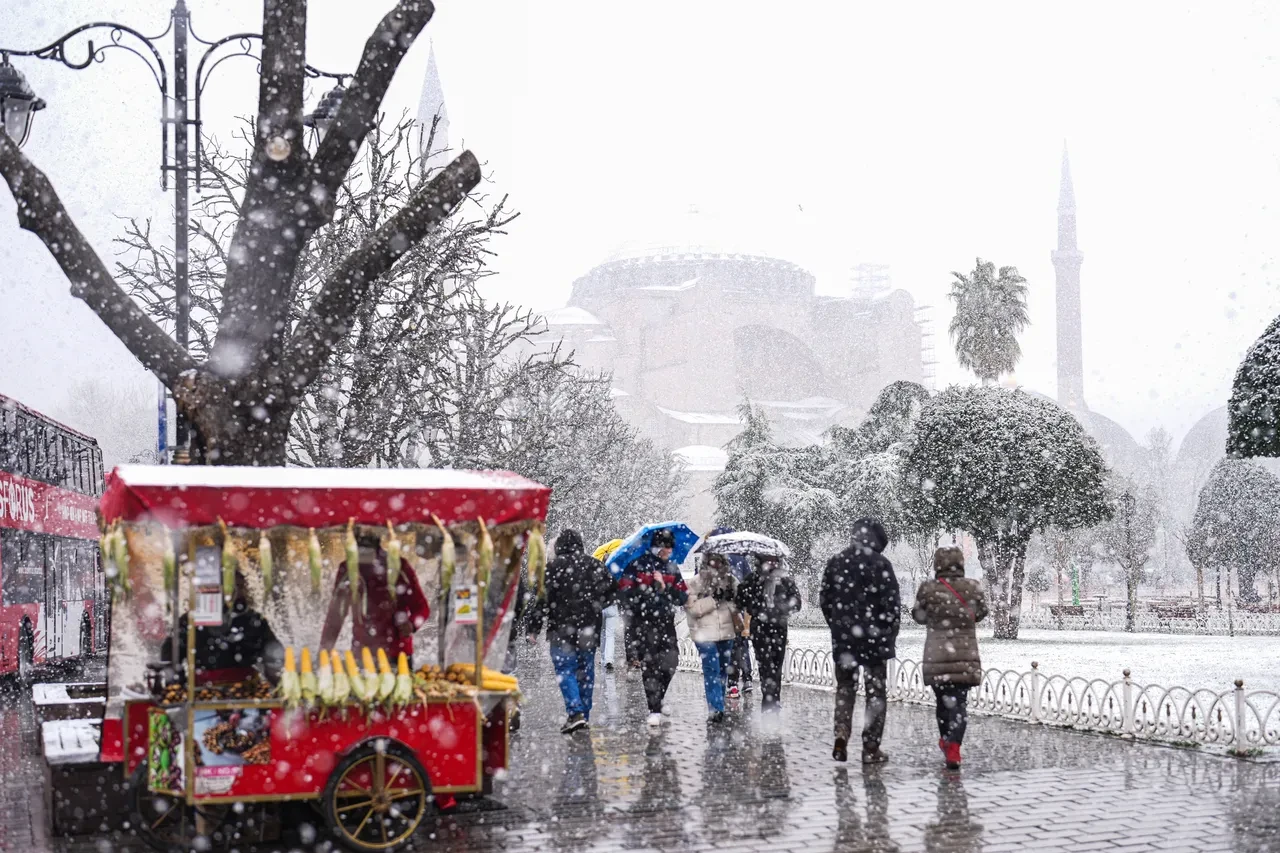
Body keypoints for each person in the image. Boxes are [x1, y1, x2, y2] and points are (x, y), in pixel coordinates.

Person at [820, 517, 901, 765]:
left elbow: (825, 600)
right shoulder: (882, 564)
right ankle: (871, 748)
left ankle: (841, 734)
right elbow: (892, 606)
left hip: (845, 640)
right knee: (875, 694)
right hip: (875, 641)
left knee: (845, 689)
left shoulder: (836, 562)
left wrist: (838, 626)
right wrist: (888, 634)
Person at [527, 529, 617, 733]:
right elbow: (612, 592)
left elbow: (542, 601)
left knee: (565, 669)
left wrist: (533, 628)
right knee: (586, 672)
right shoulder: (595, 565)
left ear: (559, 546)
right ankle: (583, 713)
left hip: (561, 630)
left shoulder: (552, 568)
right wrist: (595, 605)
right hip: (589, 629)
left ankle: (575, 712)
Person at [912, 545, 987, 770]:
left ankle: (947, 740)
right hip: (964, 655)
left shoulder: (928, 589)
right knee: (959, 704)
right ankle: (954, 746)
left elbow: (919, 616)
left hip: (937, 656)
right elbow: (981, 613)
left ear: (937, 564)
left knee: (942, 703)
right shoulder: (972, 587)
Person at [319, 532, 430, 660]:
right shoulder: (348, 569)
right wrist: (324, 652)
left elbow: (422, 607)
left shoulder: (399, 567)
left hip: (397, 654)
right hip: (363, 654)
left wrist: (411, 624)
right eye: (360, 533)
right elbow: (336, 616)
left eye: (369, 533)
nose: (364, 540)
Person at [161, 571, 283, 685]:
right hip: (202, 690)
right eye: (234, 587)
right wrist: (177, 684)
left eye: (241, 587)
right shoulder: (190, 620)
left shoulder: (254, 619)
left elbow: (272, 655)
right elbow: (170, 654)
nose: (238, 592)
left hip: (246, 688)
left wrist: (278, 680)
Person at [618, 528, 688, 727]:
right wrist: (647, 590)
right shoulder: (636, 566)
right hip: (643, 624)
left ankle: (659, 697)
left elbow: (682, 596)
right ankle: (654, 709)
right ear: (658, 548)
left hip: (666, 622)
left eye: (671, 547)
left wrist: (666, 589)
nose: (670, 551)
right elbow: (624, 594)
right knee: (650, 666)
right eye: (667, 547)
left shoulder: (673, 569)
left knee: (672, 661)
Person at [734, 555, 801, 712]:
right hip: (760, 628)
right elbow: (740, 600)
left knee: (776, 666)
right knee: (766, 666)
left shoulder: (785, 580)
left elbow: (797, 603)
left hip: (779, 628)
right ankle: (769, 701)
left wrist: (779, 608)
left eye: (774, 560)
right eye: (768, 560)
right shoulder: (753, 580)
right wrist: (756, 606)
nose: (771, 564)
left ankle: (774, 700)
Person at [685, 552, 739, 722]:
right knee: (712, 669)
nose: (716, 564)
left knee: (722, 670)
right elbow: (693, 609)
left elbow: (740, 605)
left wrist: (732, 598)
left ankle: (719, 704)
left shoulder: (731, 581)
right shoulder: (695, 582)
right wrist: (714, 599)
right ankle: (715, 708)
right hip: (704, 634)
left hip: (726, 632)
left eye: (719, 561)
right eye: (712, 561)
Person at [705, 526, 753, 697]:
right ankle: (746, 678)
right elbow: (748, 583)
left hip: (719, 612)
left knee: (723, 646)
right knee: (741, 644)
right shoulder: (740, 558)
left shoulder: (709, 561)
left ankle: (728, 682)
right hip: (738, 610)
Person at [593, 539, 625, 673]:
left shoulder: (595, 574)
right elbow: (619, 591)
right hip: (612, 607)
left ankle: (603, 658)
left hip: (600, 608)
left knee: (602, 634)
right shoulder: (615, 574)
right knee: (610, 634)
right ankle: (609, 659)